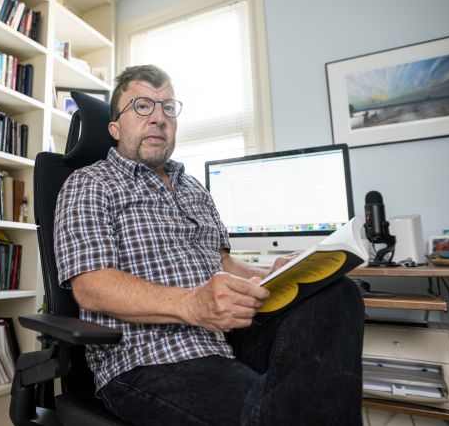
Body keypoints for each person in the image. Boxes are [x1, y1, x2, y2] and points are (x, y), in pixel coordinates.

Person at [54, 64, 364, 426]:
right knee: (289, 407)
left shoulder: (194, 188)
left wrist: (272, 274)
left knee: (336, 293)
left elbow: (223, 264)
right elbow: (91, 288)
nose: (158, 117)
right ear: (115, 127)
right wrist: (192, 305)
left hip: (226, 340)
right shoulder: (90, 183)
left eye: (167, 107)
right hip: (149, 359)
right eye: (142, 106)